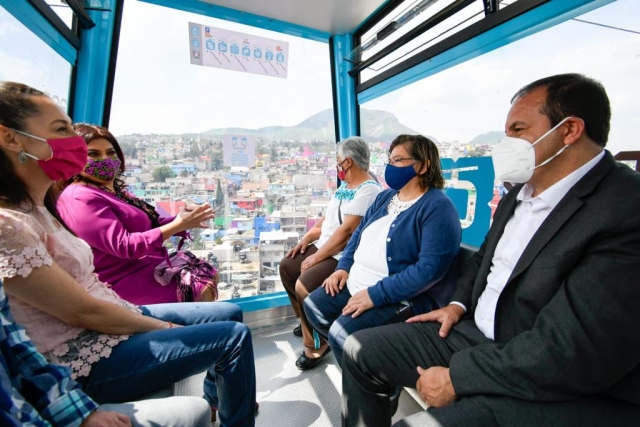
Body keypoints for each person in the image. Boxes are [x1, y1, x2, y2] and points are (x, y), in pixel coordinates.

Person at [340, 74, 640, 427]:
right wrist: (457, 304)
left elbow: (572, 350)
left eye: (518, 129)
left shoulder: (624, 208)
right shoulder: (518, 194)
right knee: (358, 350)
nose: (505, 143)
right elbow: (485, 260)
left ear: (569, 130)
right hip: (473, 333)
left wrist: (457, 378)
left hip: (551, 374)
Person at [0, 81, 256, 427]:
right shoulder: (19, 222)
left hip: (114, 308)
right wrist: (157, 327)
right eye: (61, 130)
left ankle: (221, 399)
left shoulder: (41, 208)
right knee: (234, 336)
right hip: (83, 349)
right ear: (11, 138)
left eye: (109, 153)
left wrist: (183, 218)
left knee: (230, 311)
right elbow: (81, 309)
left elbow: (154, 220)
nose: (74, 144)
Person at [304, 134, 461, 368]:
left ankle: (372, 380)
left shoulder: (437, 208)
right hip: (355, 283)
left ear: (424, 164)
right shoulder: (385, 197)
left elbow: (428, 270)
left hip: (396, 296)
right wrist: (343, 267)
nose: (390, 166)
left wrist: (375, 295)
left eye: (398, 160)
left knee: (341, 336)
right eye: (389, 159)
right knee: (313, 307)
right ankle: (366, 365)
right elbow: (357, 235)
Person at [0, 278, 211, 427]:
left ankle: (216, 405)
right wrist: (165, 328)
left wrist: (80, 415)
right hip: (89, 342)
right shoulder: (12, 236)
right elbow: (83, 312)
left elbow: (25, 358)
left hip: (114, 314)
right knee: (233, 336)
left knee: (228, 316)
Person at [56, 123, 216, 305]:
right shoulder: (80, 197)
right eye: (93, 154)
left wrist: (187, 219)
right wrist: (178, 224)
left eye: (110, 153)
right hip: (118, 281)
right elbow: (124, 245)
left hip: (141, 267)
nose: (105, 160)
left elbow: (148, 223)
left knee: (207, 273)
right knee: (200, 287)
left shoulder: (112, 191)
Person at [279, 136, 382, 370]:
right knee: (288, 266)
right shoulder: (345, 188)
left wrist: (316, 257)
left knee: (303, 285)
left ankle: (316, 342)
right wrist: (308, 238)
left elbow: (346, 232)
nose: (337, 166)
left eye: (339, 161)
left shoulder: (368, 191)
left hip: (340, 253)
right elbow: (327, 220)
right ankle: (305, 320)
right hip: (325, 245)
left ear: (349, 162)